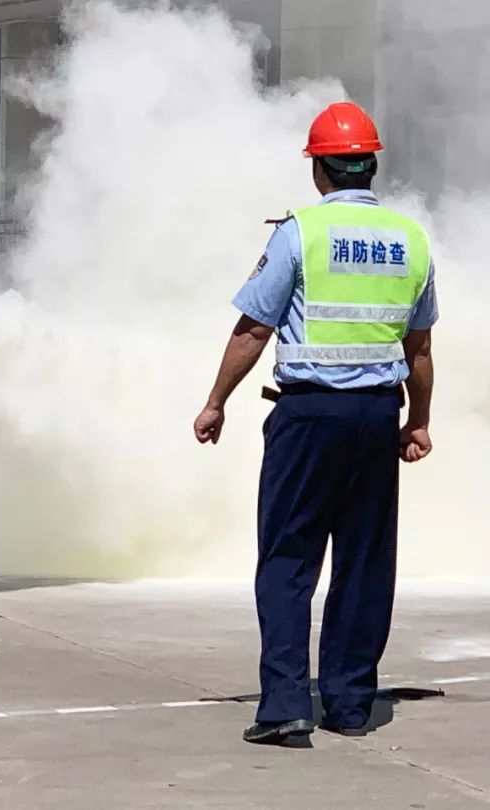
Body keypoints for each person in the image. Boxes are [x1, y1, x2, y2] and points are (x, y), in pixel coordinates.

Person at [193, 102, 437, 745]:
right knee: (364, 560)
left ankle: (283, 707)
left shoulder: (297, 233)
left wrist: (217, 399)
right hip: (379, 416)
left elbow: (253, 329)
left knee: (288, 559)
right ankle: (351, 705)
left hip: (307, 415)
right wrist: (419, 421)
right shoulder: (411, 239)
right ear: (372, 165)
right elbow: (420, 349)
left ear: (319, 170)